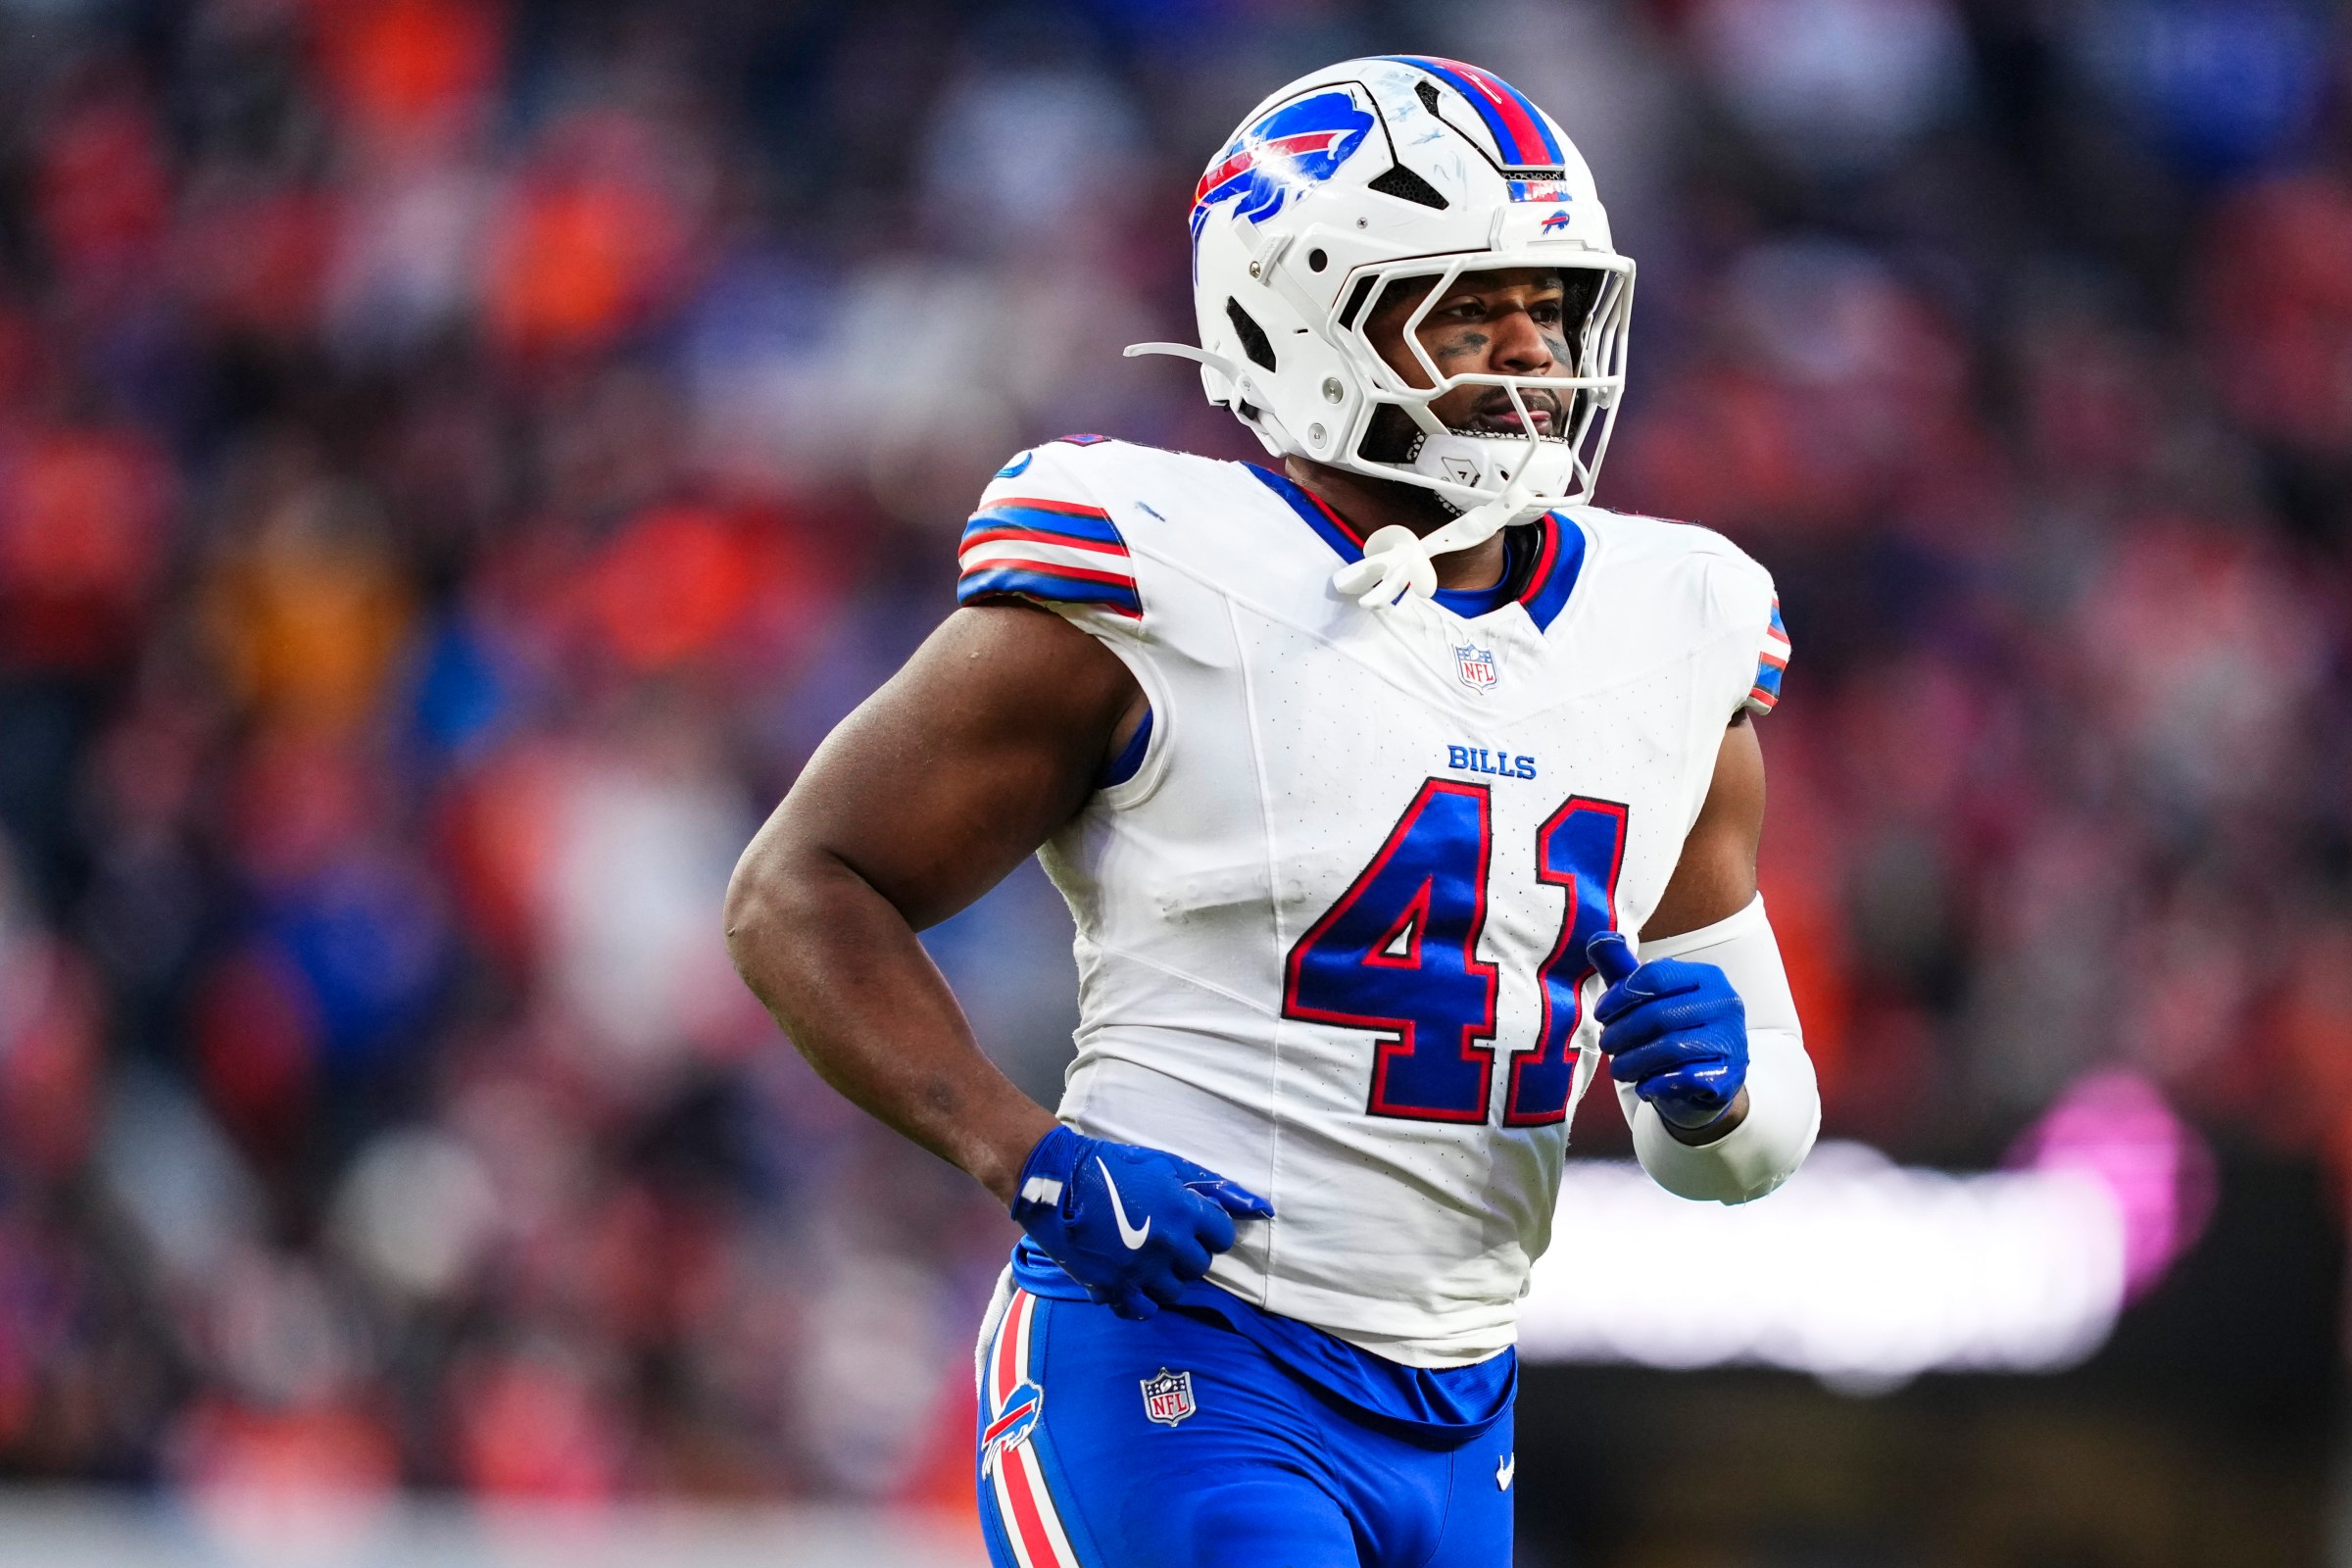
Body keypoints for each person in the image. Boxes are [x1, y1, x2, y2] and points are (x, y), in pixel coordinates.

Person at [725, 55, 1820, 1568]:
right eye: (1464, 308)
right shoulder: (1167, 568)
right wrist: (1021, 1151)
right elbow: (801, 886)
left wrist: (1719, 1099)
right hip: (1182, 1356)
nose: (1530, 354)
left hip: (1463, 1399)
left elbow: (1744, 1148)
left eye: (1548, 307)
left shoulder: (1677, 620)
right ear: (1302, 316)